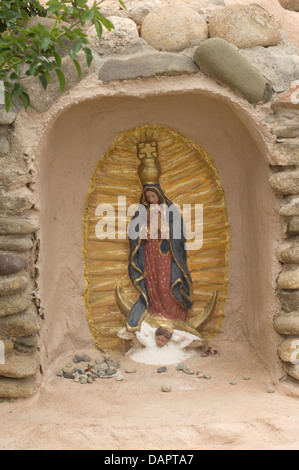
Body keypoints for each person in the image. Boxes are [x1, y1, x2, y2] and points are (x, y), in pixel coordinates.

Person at [126, 183, 193, 331]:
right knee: (153, 283)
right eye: (148, 197)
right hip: (149, 252)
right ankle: (155, 314)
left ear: (159, 194)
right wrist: (144, 232)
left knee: (165, 285)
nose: (151, 199)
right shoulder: (143, 211)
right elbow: (134, 229)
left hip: (165, 252)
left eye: (153, 196)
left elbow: (178, 230)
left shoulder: (169, 210)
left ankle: (173, 316)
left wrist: (165, 231)